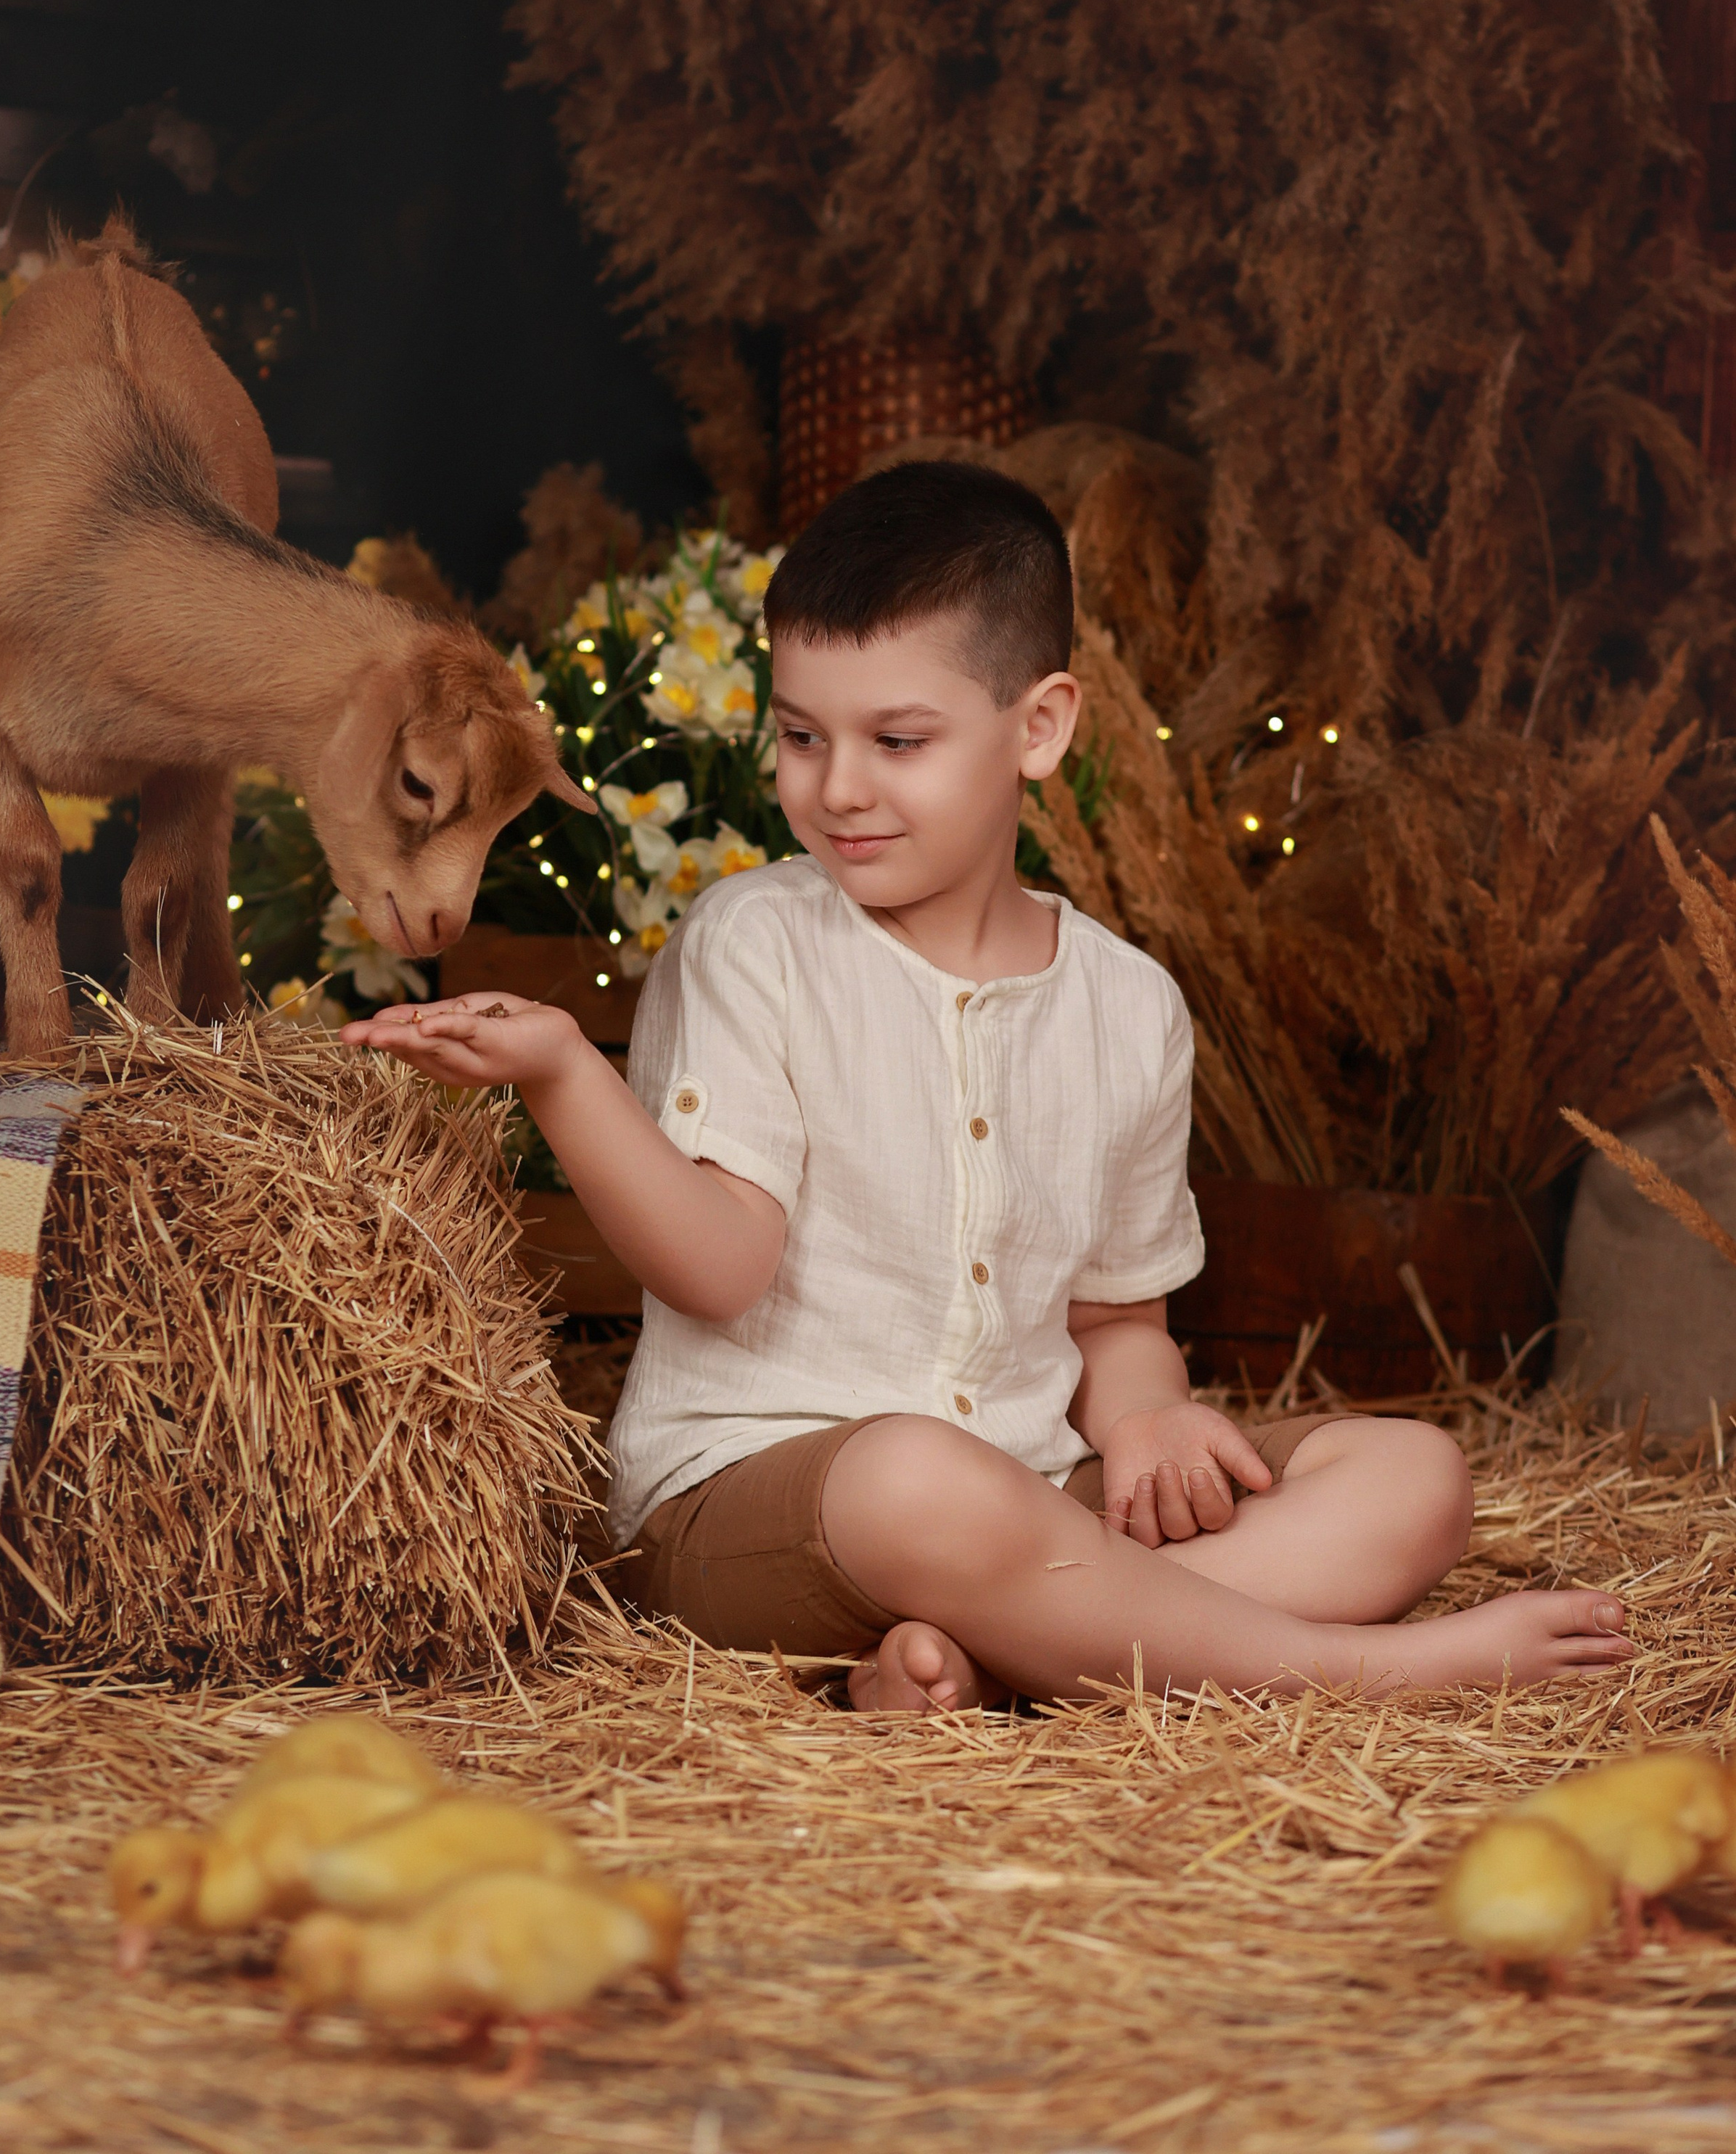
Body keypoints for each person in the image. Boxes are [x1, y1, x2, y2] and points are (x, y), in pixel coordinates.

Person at [343, 461, 1632, 1712]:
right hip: (758, 1504)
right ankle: (1370, 1673)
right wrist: (570, 1072)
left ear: (1042, 728)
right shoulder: (756, 943)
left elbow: (1117, 1326)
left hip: (1027, 1493)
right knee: (922, 1477)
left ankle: (1012, 1657)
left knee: (1412, 1475)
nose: (835, 787)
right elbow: (719, 1269)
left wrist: (1148, 1426)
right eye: (799, 735)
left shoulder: (1130, 1006)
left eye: (898, 739)